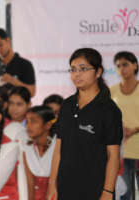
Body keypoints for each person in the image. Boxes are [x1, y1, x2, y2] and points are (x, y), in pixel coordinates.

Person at [47, 48, 123, 200]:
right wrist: (52, 183)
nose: (77, 74)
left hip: (95, 189)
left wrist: (107, 192)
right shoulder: (67, 105)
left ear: (98, 72)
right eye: (73, 69)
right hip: (65, 187)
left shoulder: (108, 109)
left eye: (83, 69)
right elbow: (58, 149)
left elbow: (113, 156)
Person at [110, 51, 139, 200]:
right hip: (121, 151)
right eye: (118, 65)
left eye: (125, 64)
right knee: (124, 193)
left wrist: (134, 129)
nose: (122, 68)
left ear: (135, 66)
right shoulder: (111, 91)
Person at [0, 28, 36, 97]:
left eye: (0, 45)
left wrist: (14, 81)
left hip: (18, 107)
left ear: (8, 41)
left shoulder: (25, 64)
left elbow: (32, 92)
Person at [23, 106, 56, 200]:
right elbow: (30, 185)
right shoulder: (26, 147)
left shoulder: (58, 147)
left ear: (48, 125)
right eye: (27, 121)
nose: (28, 126)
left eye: (33, 121)